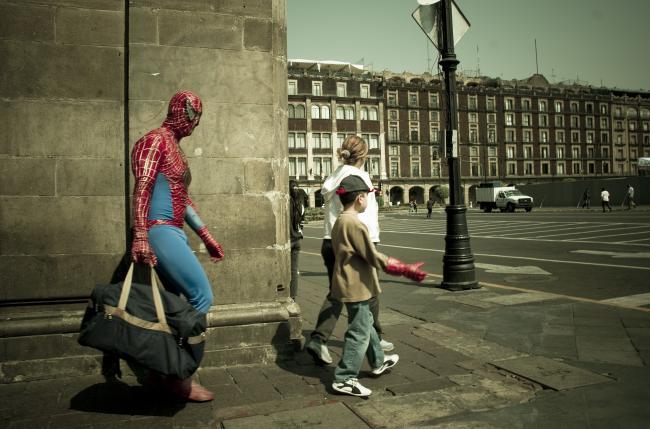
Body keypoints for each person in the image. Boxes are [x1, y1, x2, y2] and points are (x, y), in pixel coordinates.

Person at [131, 90, 224, 402]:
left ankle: (160, 372)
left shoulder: (173, 147)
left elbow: (182, 199)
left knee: (175, 306)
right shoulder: (154, 140)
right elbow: (143, 187)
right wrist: (140, 233)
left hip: (172, 231)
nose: (195, 122)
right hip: (160, 231)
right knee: (202, 296)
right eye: (192, 114)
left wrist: (207, 237)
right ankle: (179, 376)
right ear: (179, 111)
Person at [329, 175, 427, 397]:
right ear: (360, 198)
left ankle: (378, 361)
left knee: (367, 323)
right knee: (359, 332)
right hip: (356, 286)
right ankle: (344, 378)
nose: (369, 201)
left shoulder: (341, 220)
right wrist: (405, 269)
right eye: (368, 197)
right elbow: (373, 256)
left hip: (350, 283)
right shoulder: (354, 224)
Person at [305, 135, 393, 365]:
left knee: (337, 292)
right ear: (364, 155)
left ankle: (319, 339)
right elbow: (364, 213)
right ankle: (375, 340)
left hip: (330, 239)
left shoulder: (335, 175)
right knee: (368, 291)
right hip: (355, 240)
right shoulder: (358, 176)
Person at [289, 179, 304, 304]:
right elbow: (302, 221)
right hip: (297, 239)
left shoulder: (287, 202)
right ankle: (293, 297)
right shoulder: (300, 202)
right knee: (294, 270)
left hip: (289, 239)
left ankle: (285, 295)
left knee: (285, 269)